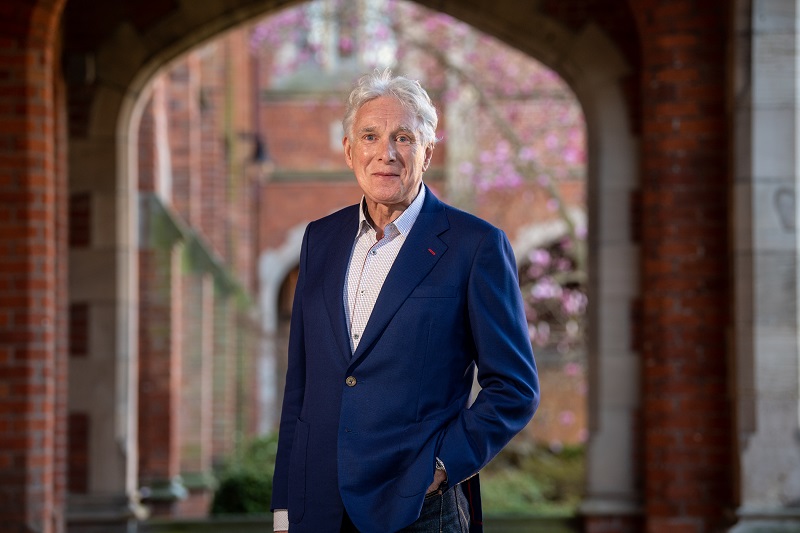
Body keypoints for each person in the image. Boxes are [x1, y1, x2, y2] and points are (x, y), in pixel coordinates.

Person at [271, 68, 539, 533]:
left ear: (427, 152)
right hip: (318, 509)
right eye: (371, 136)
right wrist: (283, 510)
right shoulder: (320, 239)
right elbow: (301, 386)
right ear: (350, 150)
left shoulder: (474, 246)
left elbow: (515, 388)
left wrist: (440, 468)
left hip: (417, 509)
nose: (386, 154)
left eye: (404, 138)